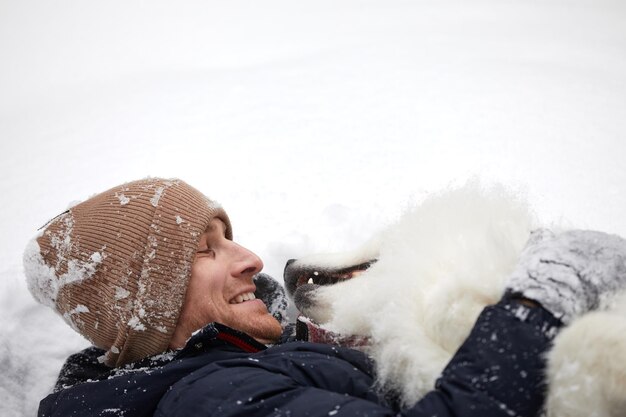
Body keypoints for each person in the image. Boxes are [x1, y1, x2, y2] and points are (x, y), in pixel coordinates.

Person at [23, 178, 626, 417]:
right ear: (147, 303)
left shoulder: (233, 373)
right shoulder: (211, 399)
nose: (250, 259)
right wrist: (536, 306)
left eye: (230, 237)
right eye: (205, 250)